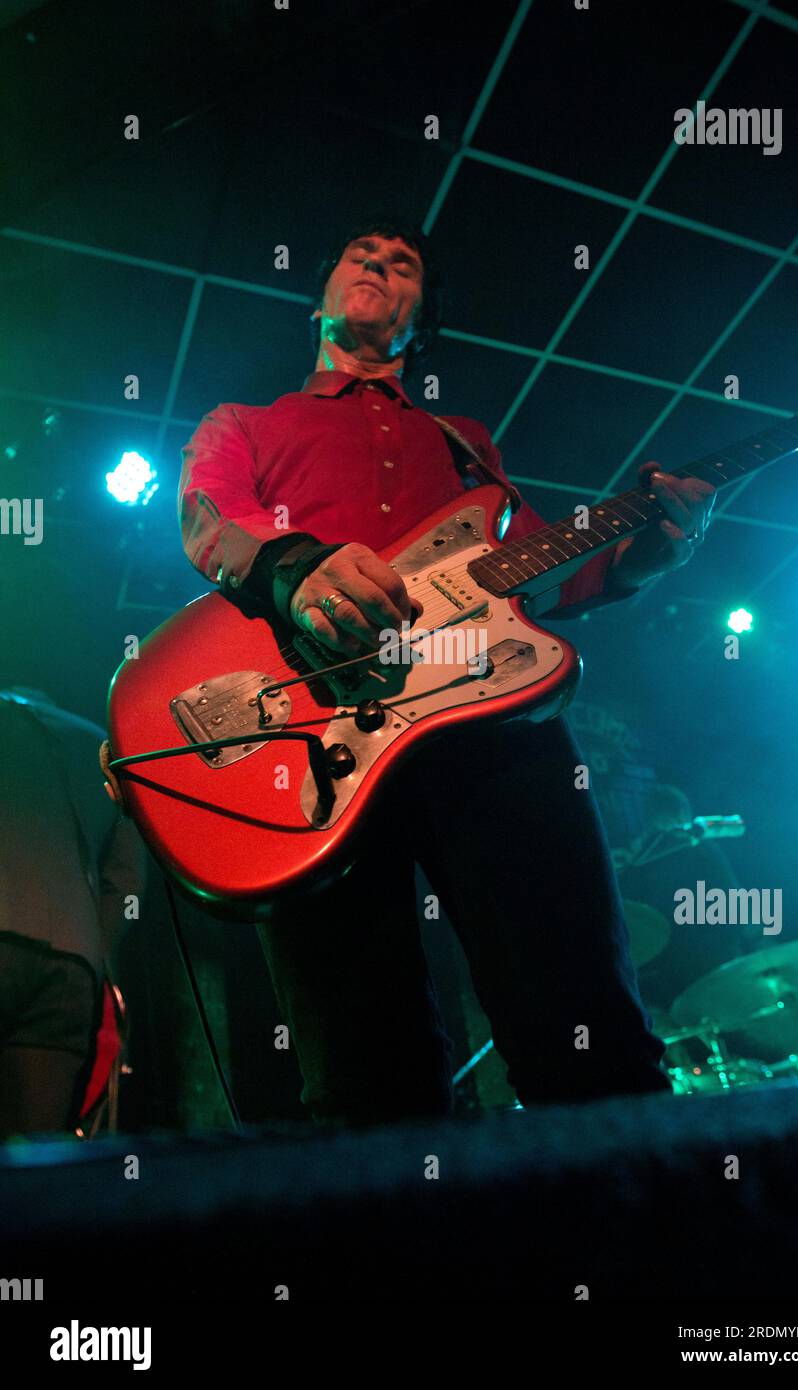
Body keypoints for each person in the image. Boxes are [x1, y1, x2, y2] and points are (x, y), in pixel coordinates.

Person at [179, 214, 716, 1127]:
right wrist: (296, 567)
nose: (380, 266)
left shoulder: (467, 441)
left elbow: (541, 572)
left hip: (490, 720)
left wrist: (643, 555)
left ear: (418, 319)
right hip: (318, 741)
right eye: (362, 255)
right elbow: (208, 514)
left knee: (584, 1021)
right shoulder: (245, 422)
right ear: (321, 296)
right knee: (364, 1064)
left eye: (402, 265)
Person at [0, 690, 146, 1137]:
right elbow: (127, 883)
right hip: (73, 967)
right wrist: (90, 949)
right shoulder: (100, 744)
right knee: (40, 1155)